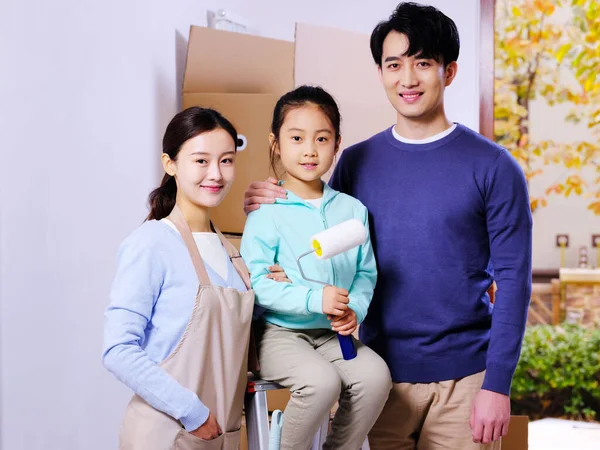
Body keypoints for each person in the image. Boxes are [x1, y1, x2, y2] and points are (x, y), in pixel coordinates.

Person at [243, 3, 533, 449]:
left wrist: (498, 385)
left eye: (423, 63)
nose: (408, 79)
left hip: (466, 381)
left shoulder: (493, 167)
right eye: (394, 64)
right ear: (380, 72)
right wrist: (265, 199)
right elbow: (321, 233)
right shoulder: (356, 162)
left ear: (449, 71)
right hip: (377, 374)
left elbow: (514, 281)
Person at [240, 85, 392, 450]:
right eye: (297, 138)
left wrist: (352, 309)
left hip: (331, 334)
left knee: (376, 377)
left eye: (321, 138)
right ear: (276, 143)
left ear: (337, 143)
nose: (310, 149)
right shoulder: (267, 212)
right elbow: (257, 283)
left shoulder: (352, 211)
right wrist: (313, 298)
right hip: (279, 333)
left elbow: (365, 272)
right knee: (321, 383)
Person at [102, 107, 255, 450]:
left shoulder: (233, 253)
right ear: (170, 164)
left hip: (223, 435)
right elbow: (117, 349)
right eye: (201, 160)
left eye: (226, 160)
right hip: (166, 434)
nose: (216, 174)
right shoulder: (152, 243)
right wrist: (193, 413)